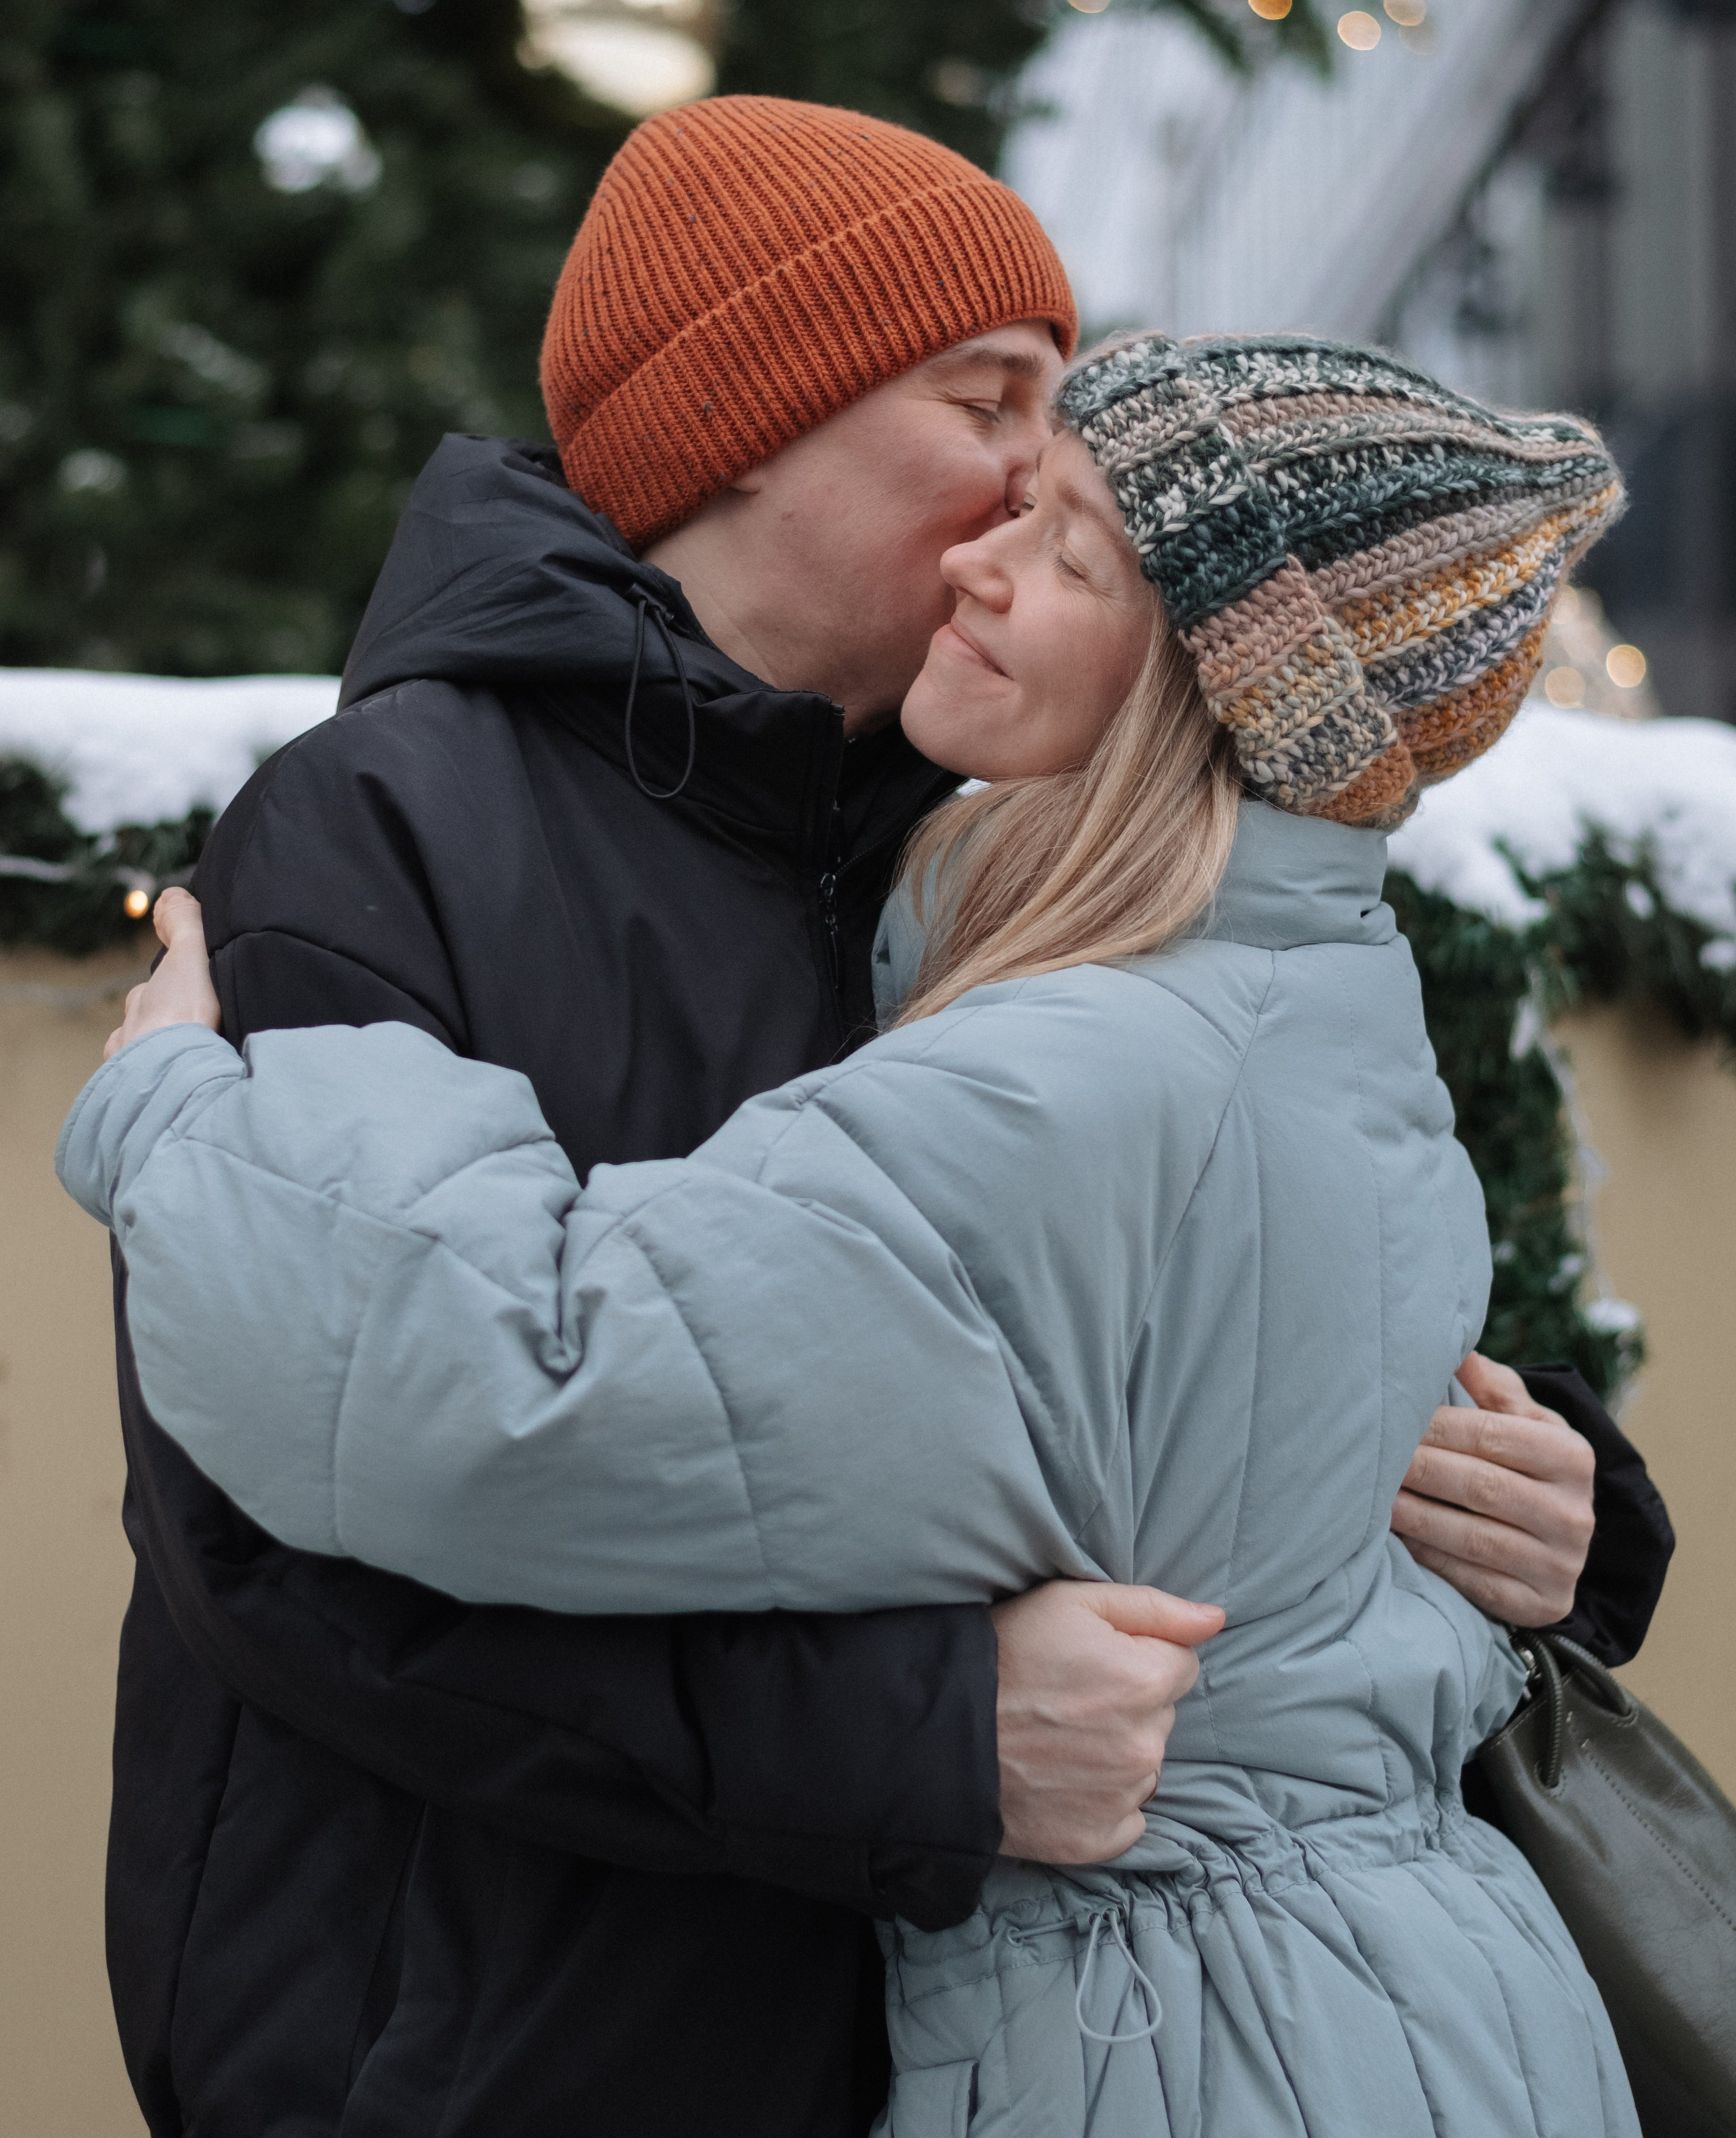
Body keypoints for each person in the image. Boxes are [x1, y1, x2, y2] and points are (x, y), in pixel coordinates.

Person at [68, 332, 1643, 2135]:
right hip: (1411, 2014)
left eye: (1065, 545)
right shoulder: (1305, 986)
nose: (989, 533)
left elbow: (521, 1375)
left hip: (1185, 2049)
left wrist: (183, 1114)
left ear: (1211, 686)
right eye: (996, 433)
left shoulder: (1076, 1055)